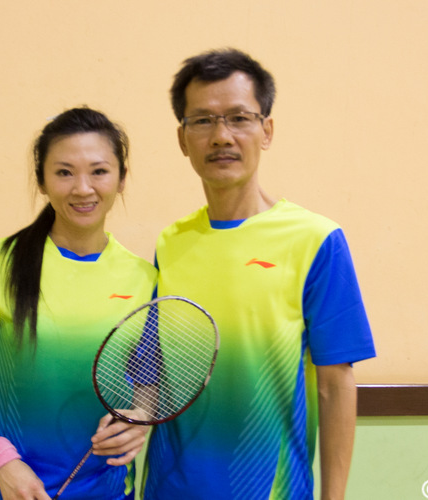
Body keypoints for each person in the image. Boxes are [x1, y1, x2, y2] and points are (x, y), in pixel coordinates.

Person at [142, 49, 376, 500]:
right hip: (168, 490)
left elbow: (335, 384)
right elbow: (154, 367)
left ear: (266, 131)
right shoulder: (171, 242)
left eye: (239, 118)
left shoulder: (316, 240)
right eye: (203, 121)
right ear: (182, 138)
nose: (221, 136)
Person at [0, 107, 157, 500]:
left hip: (106, 490)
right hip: (5, 489)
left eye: (99, 171)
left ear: (122, 179)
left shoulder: (144, 279)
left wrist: (140, 417)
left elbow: (146, 379)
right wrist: (2, 463)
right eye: (64, 171)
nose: (83, 188)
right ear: (42, 180)